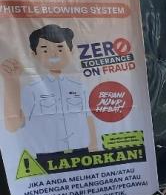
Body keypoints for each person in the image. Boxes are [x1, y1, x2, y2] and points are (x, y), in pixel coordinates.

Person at [1, 24, 97, 156]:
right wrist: (11, 81)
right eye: (45, 50)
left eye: (60, 48)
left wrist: (94, 145)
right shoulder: (30, 90)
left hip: (81, 152)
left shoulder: (79, 87)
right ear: (34, 54)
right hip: (48, 156)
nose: (53, 54)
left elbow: (88, 117)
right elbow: (12, 125)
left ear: (71, 51)